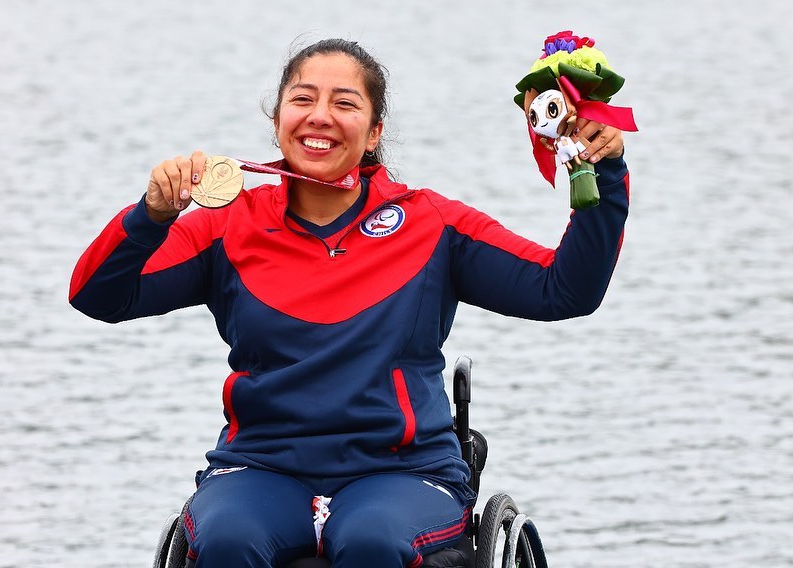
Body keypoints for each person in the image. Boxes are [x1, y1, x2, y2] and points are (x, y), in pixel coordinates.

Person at [69, 38, 630, 568]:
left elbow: (565, 290)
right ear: (277, 121)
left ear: (373, 131)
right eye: (302, 99)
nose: (320, 116)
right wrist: (151, 215)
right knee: (226, 539)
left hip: (404, 472)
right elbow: (98, 296)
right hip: (259, 467)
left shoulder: (432, 224)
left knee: (369, 541)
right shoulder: (226, 227)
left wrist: (601, 170)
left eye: (345, 103)